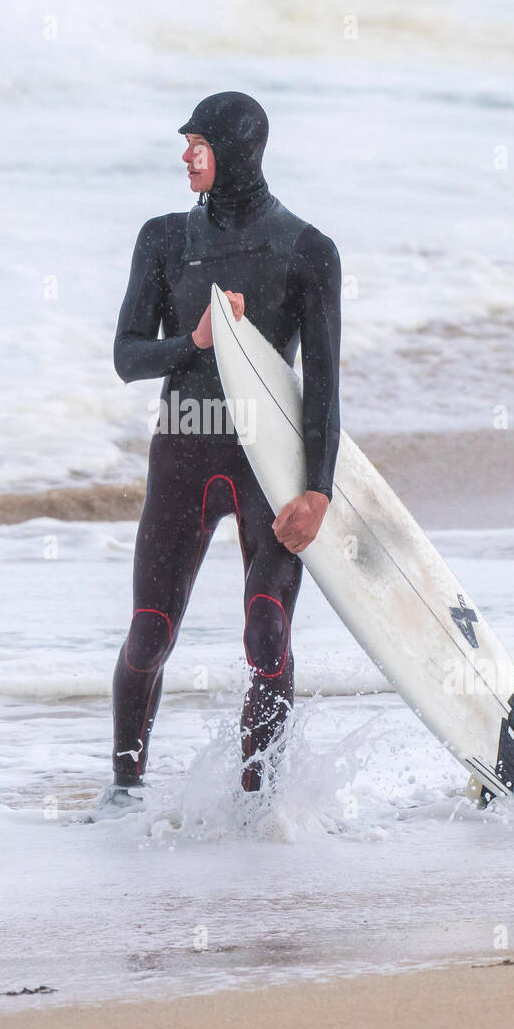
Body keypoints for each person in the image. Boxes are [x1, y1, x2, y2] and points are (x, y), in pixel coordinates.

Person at [99, 91, 341, 812]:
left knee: (267, 632)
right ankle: (123, 791)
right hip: (181, 453)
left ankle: (259, 801)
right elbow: (127, 356)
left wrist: (320, 490)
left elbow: (323, 387)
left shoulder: (308, 251)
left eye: (197, 143)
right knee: (148, 635)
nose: (185, 155)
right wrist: (196, 342)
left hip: (270, 467)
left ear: (233, 152)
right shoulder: (164, 239)